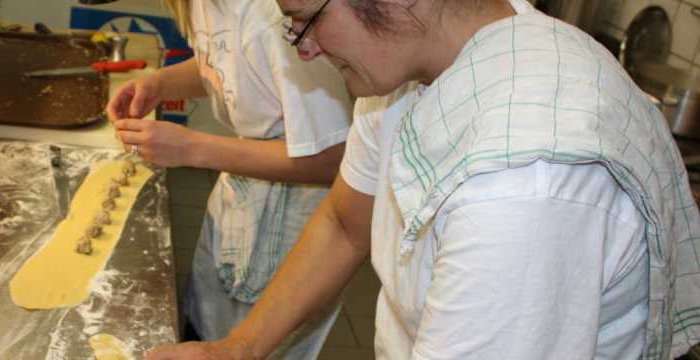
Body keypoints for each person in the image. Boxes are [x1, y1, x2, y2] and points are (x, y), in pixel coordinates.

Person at [147, 0, 700, 359]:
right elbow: (345, 222)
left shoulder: (526, 182)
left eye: (305, 21)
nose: (305, 48)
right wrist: (240, 348)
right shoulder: (411, 61)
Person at [105, 0, 359, 358]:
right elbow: (231, 63)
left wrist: (192, 149)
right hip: (240, 191)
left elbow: (334, 158)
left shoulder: (278, 13)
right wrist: (161, 84)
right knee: (201, 330)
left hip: (291, 225)